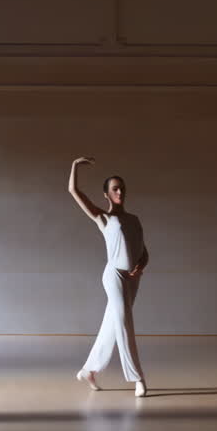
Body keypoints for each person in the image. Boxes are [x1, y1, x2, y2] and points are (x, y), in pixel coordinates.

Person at [67, 157, 150, 397]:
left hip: (133, 279)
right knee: (125, 323)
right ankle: (138, 378)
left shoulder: (134, 220)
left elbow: (144, 252)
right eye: (115, 188)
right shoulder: (104, 218)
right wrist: (74, 165)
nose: (120, 191)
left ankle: (88, 370)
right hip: (113, 275)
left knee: (112, 326)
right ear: (106, 194)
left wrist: (141, 267)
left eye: (122, 187)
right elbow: (73, 191)